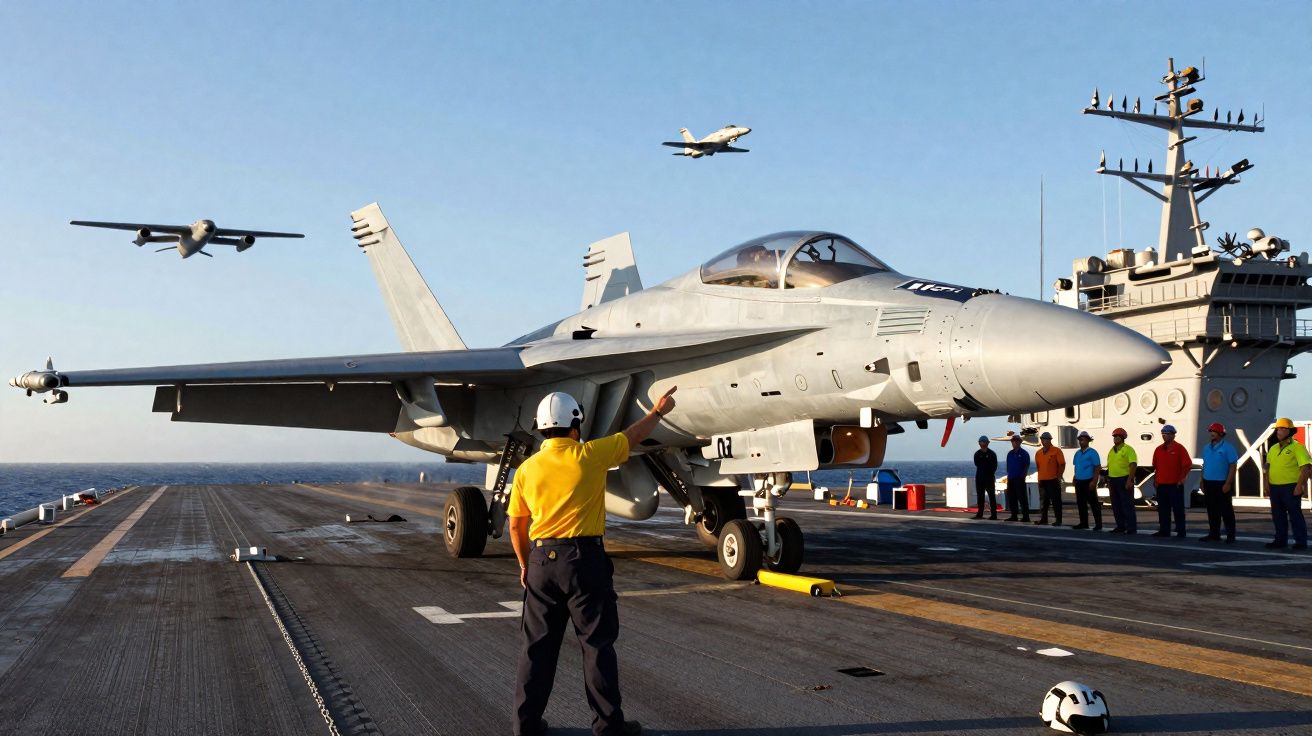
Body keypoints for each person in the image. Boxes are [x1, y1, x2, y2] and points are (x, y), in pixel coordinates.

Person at [509, 386, 678, 736]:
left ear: (541, 428)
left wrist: (526, 565)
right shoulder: (588, 455)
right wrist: (658, 412)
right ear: (575, 428)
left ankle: (525, 725)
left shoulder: (526, 470)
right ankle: (607, 727)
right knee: (596, 645)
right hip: (584, 560)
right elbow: (630, 438)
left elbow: (516, 524)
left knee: (536, 650)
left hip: (541, 559)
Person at [1263, 417, 1310, 551]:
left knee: (1295, 515)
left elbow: (1306, 468)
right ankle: (1280, 540)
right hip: (1275, 487)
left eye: (1282, 428)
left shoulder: (1298, 447)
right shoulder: (1272, 449)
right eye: (1278, 428)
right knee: (1278, 515)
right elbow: (1267, 468)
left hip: (1290, 486)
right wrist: (1266, 485)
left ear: (1290, 431)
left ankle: (1300, 542)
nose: (1279, 431)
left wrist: (1299, 486)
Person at [1199, 422, 1239, 544]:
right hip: (1208, 482)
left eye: (1214, 431)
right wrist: (1201, 481)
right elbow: (1204, 465)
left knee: (1226, 511)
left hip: (1222, 483)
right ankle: (1214, 534)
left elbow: (1233, 466)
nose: (1211, 433)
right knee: (1212, 510)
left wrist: (1228, 483)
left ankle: (1230, 535)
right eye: (1210, 431)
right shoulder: (1206, 448)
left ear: (1221, 433)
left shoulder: (1228, 447)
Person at [1151, 424, 1192, 539]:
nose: (1165, 436)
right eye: (1163, 434)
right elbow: (1156, 467)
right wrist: (1156, 480)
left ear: (1174, 435)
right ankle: (1164, 530)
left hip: (1175, 484)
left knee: (1178, 509)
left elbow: (1187, 465)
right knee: (1163, 509)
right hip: (1161, 485)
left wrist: (1182, 479)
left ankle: (1181, 531)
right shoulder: (1158, 449)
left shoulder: (1179, 448)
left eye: (1168, 434)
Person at [1105, 428, 1139, 534]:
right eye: (1114, 436)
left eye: (1118, 436)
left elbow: (1133, 464)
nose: (1115, 438)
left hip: (1124, 479)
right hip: (1113, 480)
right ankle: (1120, 526)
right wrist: (1108, 479)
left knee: (1127, 504)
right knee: (1116, 505)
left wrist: (1130, 480)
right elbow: (1110, 465)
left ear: (1123, 438)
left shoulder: (1128, 449)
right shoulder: (1111, 450)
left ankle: (1131, 528)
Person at [1071, 431, 1102, 530]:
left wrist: (1094, 481)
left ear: (1088, 441)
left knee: (1093, 503)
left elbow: (1097, 467)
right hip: (1079, 481)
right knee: (1081, 503)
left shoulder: (1092, 452)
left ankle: (1098, 523)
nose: (1081, 442)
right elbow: (1076, 466)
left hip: (1088, 480)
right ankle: (1083, 523)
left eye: (1083, 440)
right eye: (1080, 440)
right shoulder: (1077, 453)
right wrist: (1074, 477)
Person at [1034, 431, 1066, 526]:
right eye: (1043, 439)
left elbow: (1062, 464)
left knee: (1056, 501)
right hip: (1043, 480)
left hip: (1053, 480)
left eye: (1047, 439)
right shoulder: (1038, 453)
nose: (1045, 441)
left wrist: (1059, 476)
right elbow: (1038, 467)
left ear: (1050, 440)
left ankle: (1058, 520)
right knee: (1044, 501)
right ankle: (1044, 519)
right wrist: (1039, 479)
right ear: (1041, 440)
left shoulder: (1056, 451)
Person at [1004, 433, 1031, 522]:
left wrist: (1023, 476)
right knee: (1012, 498)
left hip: (1019, 478)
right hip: (1011, 478)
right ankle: (1014, 515)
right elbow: (1008, 466)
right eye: (1013, 441)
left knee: (1022, 498)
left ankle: (1026, 517)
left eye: (1016, 441)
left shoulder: (1024, 453)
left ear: (1019, 442)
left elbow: (1026, 466)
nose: (1014, 442)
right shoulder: (1009, 454)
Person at [973, 435, 998, 520]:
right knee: (980, 496)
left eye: (984, 441)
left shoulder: (992, 454)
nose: (982, 443)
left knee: (991, 496)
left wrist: (989, 474)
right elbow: (976, 464)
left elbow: (994, 466)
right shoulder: (977, 454)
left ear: (988, 443)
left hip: (989, 478)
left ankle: (994, 514)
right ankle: (980, 514)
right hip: (980, 478)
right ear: (979, 443)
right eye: (981, 441)